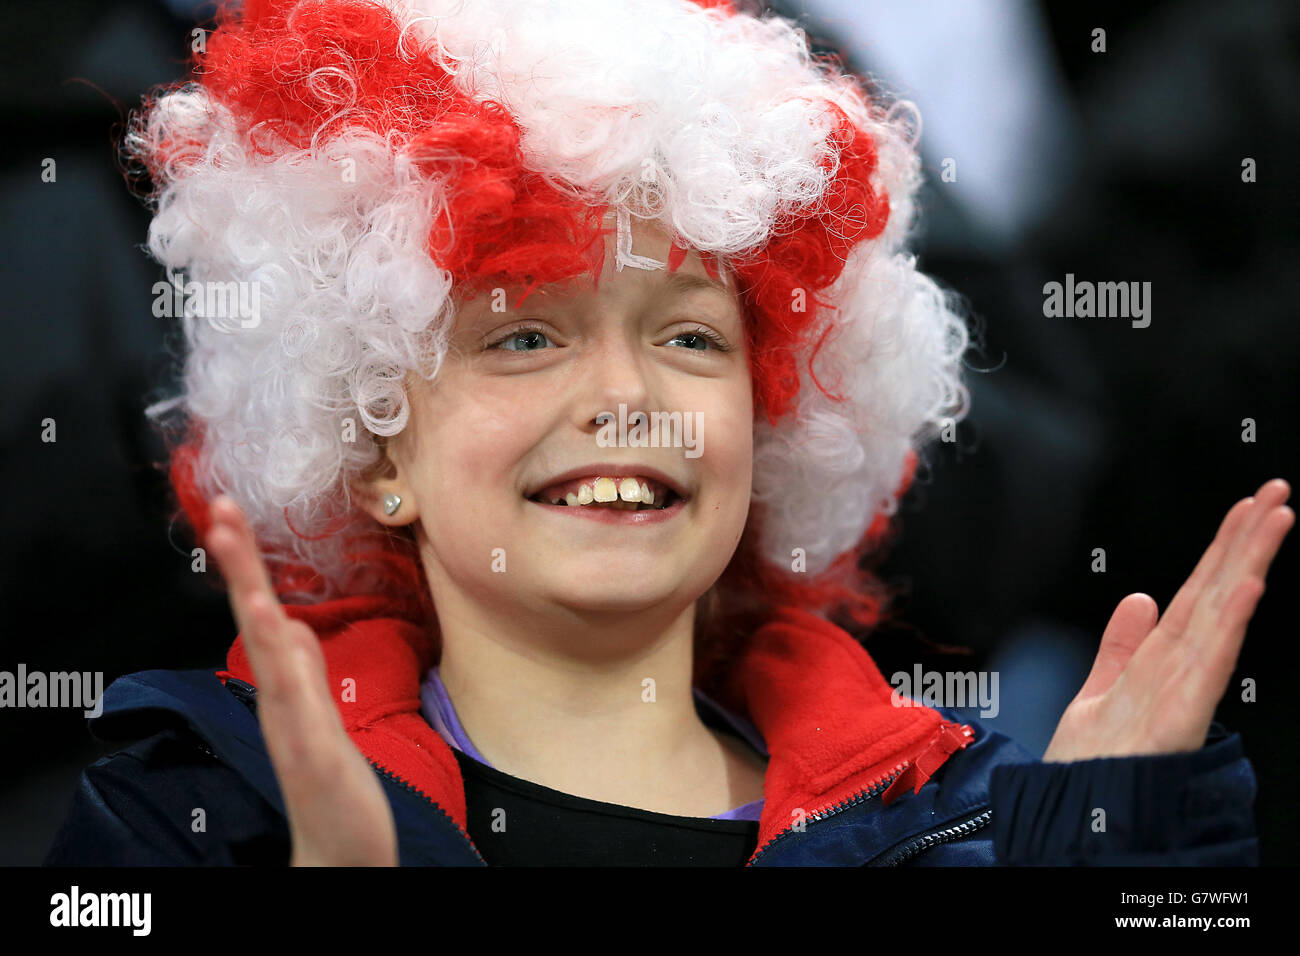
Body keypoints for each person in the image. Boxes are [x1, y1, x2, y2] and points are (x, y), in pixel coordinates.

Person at [45, 0, 1290, 866]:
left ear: (780, 415)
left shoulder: (961, 816)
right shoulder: (192, 804)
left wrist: (1106, 847)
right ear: (374, 453)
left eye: (690, 337)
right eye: (523, 336)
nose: (624, 393)